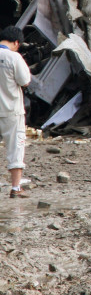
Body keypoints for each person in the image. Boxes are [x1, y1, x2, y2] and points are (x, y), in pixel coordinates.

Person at [0, 27, 31, 199]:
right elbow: (25, 81)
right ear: (16, 43)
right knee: (15, 148)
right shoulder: (14, 57)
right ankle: (16, 187)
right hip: (11, 110)